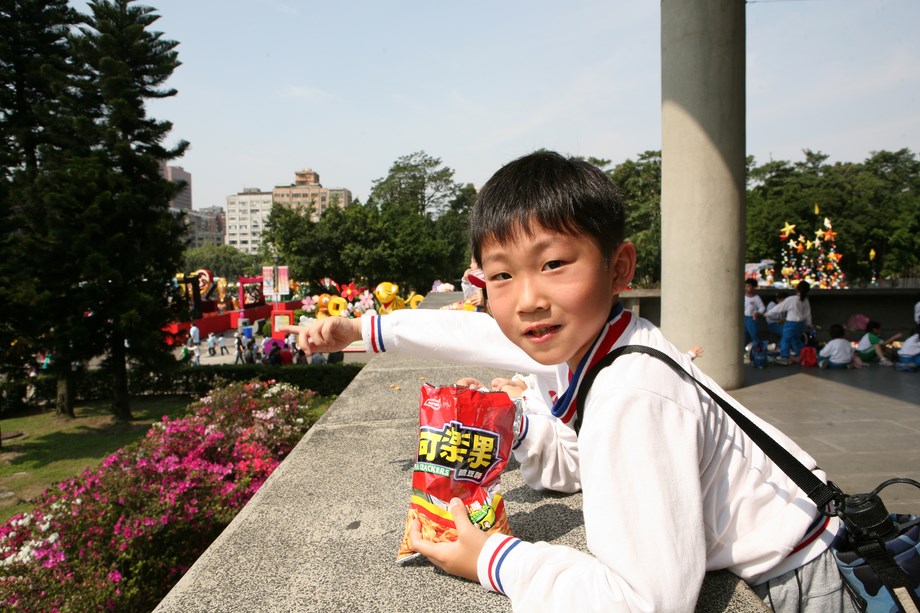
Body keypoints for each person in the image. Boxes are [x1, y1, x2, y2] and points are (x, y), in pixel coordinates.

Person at [280, 151, 851, 611]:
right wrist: (364, 330)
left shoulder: (630, 392)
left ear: (619, 267)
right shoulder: (600, 343)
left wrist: (495, 560)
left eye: (553, 264)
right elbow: (471, 338)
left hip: (801, 582)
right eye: (502, 275)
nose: (528, 299)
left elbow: (647, 602)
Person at [769, 281, 812, 365]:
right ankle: (802, 354)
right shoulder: (805, 300)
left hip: (791, 323)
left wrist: (768, 313)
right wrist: (809, 324)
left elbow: (779, 308)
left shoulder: (792, 299)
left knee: (785, 339)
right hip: (801, 323)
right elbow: (808, 314)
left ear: (797, 289)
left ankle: (784, 357)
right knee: (796, 340)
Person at [743, 278, 765, 349]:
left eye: (749, 286)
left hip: (752, 318)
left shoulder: (756, 298)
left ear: (753, 288)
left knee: (754, 335)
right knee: (743, 335)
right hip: (743, 318)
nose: (747, 288)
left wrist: (757, 312)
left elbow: (762, 307)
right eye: (746, 286)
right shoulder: (742, 297)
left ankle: (757, 350)